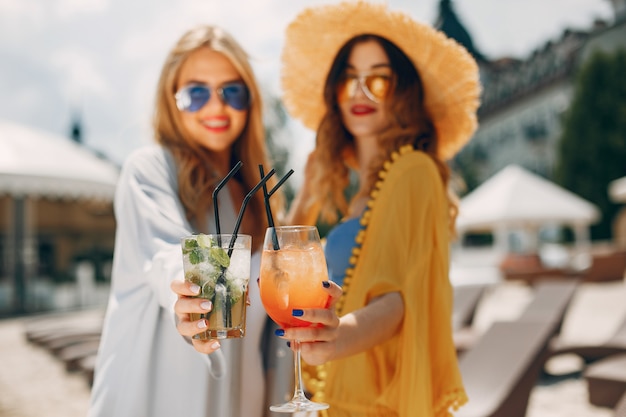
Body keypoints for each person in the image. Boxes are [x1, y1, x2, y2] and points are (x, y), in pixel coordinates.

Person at [278, 2, 482, 416]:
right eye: (348, 79)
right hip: (338, 391)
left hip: (380, 399)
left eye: (379, 80)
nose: (360, 91)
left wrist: (337, 338)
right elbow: (280, 270)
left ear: (403, 91)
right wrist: (309, 198)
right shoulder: (362, 192)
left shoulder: (413, 170)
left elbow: (401, 300)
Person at [88, 25, 283, 417]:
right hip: (154, 400)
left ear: (250, 101)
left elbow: (272, 328)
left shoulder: (259, 195)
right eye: (196, 93)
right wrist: (188, 292)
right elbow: (165, 255)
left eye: (233, 91)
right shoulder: (150, 170)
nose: (216, 106)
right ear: (172, 98)